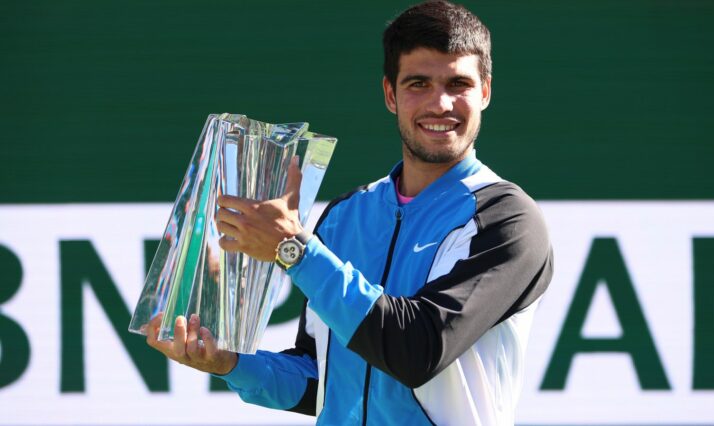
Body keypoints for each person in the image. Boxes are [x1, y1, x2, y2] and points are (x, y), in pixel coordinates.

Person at [146, 1, 553, 424]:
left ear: (485, 92)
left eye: (458, 84)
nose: (441, 104)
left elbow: (417, 350)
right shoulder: (345, 215)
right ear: (390, 95)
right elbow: (320, 377)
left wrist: (295, 251)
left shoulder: (508, 220)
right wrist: (231, 363)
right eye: (419, 84)